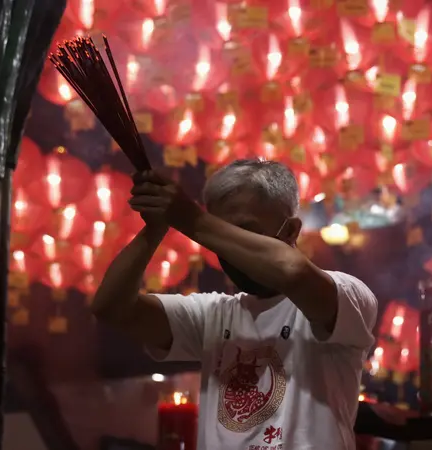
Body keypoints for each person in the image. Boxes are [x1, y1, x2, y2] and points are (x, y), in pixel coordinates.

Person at [92, 159, 378, 450]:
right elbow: (111, 307)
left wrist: (192, 220)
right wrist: (155, 229)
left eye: (243, 232)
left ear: (290, 231)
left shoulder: (348, 293)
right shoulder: (214, 314)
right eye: (222, 237)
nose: (230, 250)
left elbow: (292, 272)